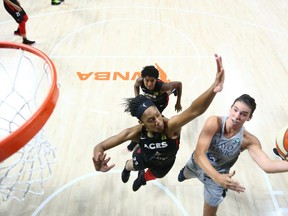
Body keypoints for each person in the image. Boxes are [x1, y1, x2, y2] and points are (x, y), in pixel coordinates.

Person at [93, 54, 225, 192]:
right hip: (144, 157)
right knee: (132, 165)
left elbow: (195, 110)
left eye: (158, 115)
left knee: (150, 176)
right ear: (142, 122)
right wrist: (98, 159)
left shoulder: (170, 126)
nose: (158, 122)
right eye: (151, 120)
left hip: (164, 163)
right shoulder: (136, 132)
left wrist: (213, 89)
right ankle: (126, 169)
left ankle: (141, 179)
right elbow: (100, 146)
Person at [178, 94, 288, 216]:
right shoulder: (214, 122)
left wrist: (217, 178)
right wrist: (216, 176)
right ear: (230, 108)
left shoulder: (248, 140)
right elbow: (199, 154)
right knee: (183, 175)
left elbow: (268, 166)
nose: (236, 116)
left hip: (217, 181)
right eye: (235, 110)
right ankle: (185, 173)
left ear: (249, 118)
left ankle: (217, 187)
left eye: (243, 114)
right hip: (197, 165)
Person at [126, 65, 183, 151]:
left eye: (152, 81)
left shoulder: (163, 86)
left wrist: (178, 102)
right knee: (147, 115)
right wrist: (137, 98)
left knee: (149, 118)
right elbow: (135, 86)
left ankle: (135, 141)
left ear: (156, 80)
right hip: (151, 99)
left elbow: (179, 84)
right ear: (143, 79)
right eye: (147, 80)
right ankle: (173, 91)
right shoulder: (140, 81)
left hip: (161, 103)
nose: (149, 84)